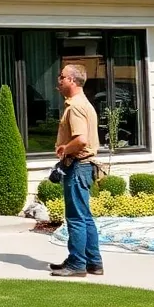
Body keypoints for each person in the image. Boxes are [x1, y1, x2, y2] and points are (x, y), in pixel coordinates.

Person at [50, 64, 104, 277]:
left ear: (72, 80)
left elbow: (80, 140)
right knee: (85, 216)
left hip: (78, 166)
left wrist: (65, 149)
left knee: (75, 217)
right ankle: (93, 262)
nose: (59, 80)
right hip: (85, 167)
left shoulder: (74, 107)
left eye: (62, 77)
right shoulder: (84, 104)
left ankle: (77, 264)